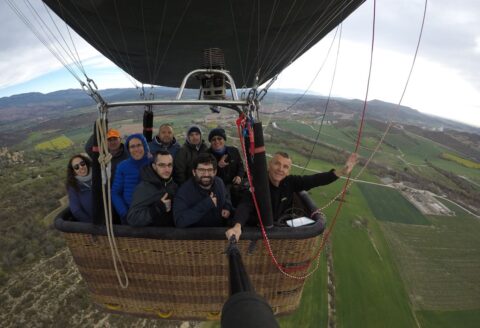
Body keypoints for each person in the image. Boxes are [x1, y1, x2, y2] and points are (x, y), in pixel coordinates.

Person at [226, 152, 359, 241]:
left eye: (285, 166)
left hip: (278, 229)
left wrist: (342, 171)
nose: (280, 169)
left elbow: (315, 180)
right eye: (277, 163)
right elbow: (245, 205)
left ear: (289, 171)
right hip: (256, 229)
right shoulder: (259, 183)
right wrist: (237, 227)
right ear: (269, 165)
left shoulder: (290, 182)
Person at [173, 153, 233, 228]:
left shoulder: (219, 182)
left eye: (210, 170)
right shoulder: (184, 192)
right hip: (197, 235)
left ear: (215, 172)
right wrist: (207, 204)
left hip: (219, 232)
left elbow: (226, 196)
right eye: (201, 170)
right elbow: (179, 221)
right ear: (194, 172)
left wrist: (227, 206)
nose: (206, 174)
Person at [127, 150, 178, 227]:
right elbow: (133, 218)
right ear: (154, 166)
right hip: (152, 236)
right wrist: (157, 209)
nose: (167, 169)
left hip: (171, 235)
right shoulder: (144, 188)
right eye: (162, 165)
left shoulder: (173, 185)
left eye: (169, 165)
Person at [112, 133, 151, 224]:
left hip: (150, 213)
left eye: (139, 145)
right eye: (132, 146)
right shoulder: (122, 166)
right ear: (128, 150)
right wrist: (124, 213)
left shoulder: (153, 162)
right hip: (129, 214)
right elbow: (115, 193)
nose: (136, 149)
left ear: (144, 146)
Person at [207, 128, 245, 206]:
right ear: (210, 142)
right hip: (218, 188)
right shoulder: (207, 156)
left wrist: (239, 176)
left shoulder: (234, 151)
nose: (217, 141)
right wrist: (218, 166)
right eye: (213, 139)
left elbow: (240, 166)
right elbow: (206, 175)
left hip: (235, 185)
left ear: (224, 140)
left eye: (219, 138)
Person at [66, 154, 93, 223]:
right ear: (73, 171)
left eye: (82, 163)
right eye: (76, 167)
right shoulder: (73, 186)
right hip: (94, 223)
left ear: (86, 163)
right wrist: (91, 225)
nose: (81, 167)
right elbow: (76, 210)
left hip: (112, 217)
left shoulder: (98, 176)